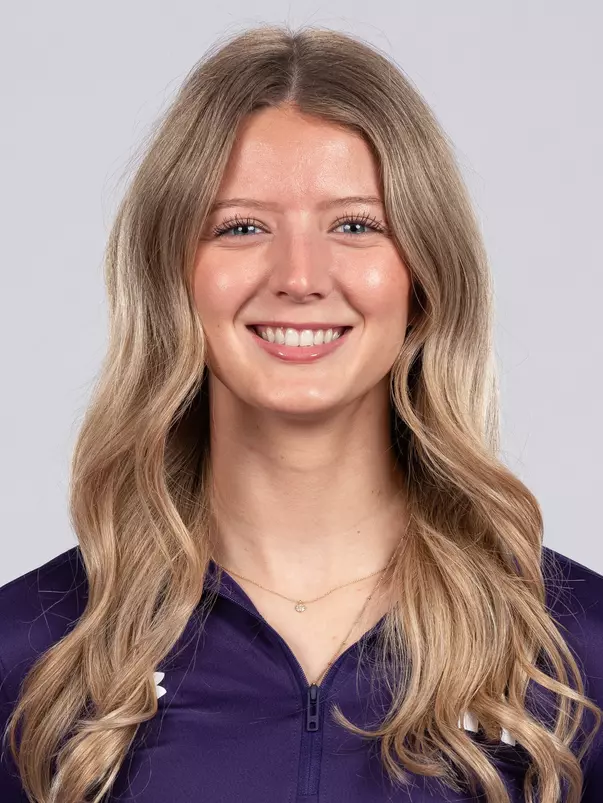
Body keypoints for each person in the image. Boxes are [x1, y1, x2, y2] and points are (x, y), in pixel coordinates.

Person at [0, 23, 602, 803]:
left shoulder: (570, 653)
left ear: (421, 274)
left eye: (355, 225)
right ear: (174, 275)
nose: (299, 275)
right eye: (241, 226)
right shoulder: (35, 654)